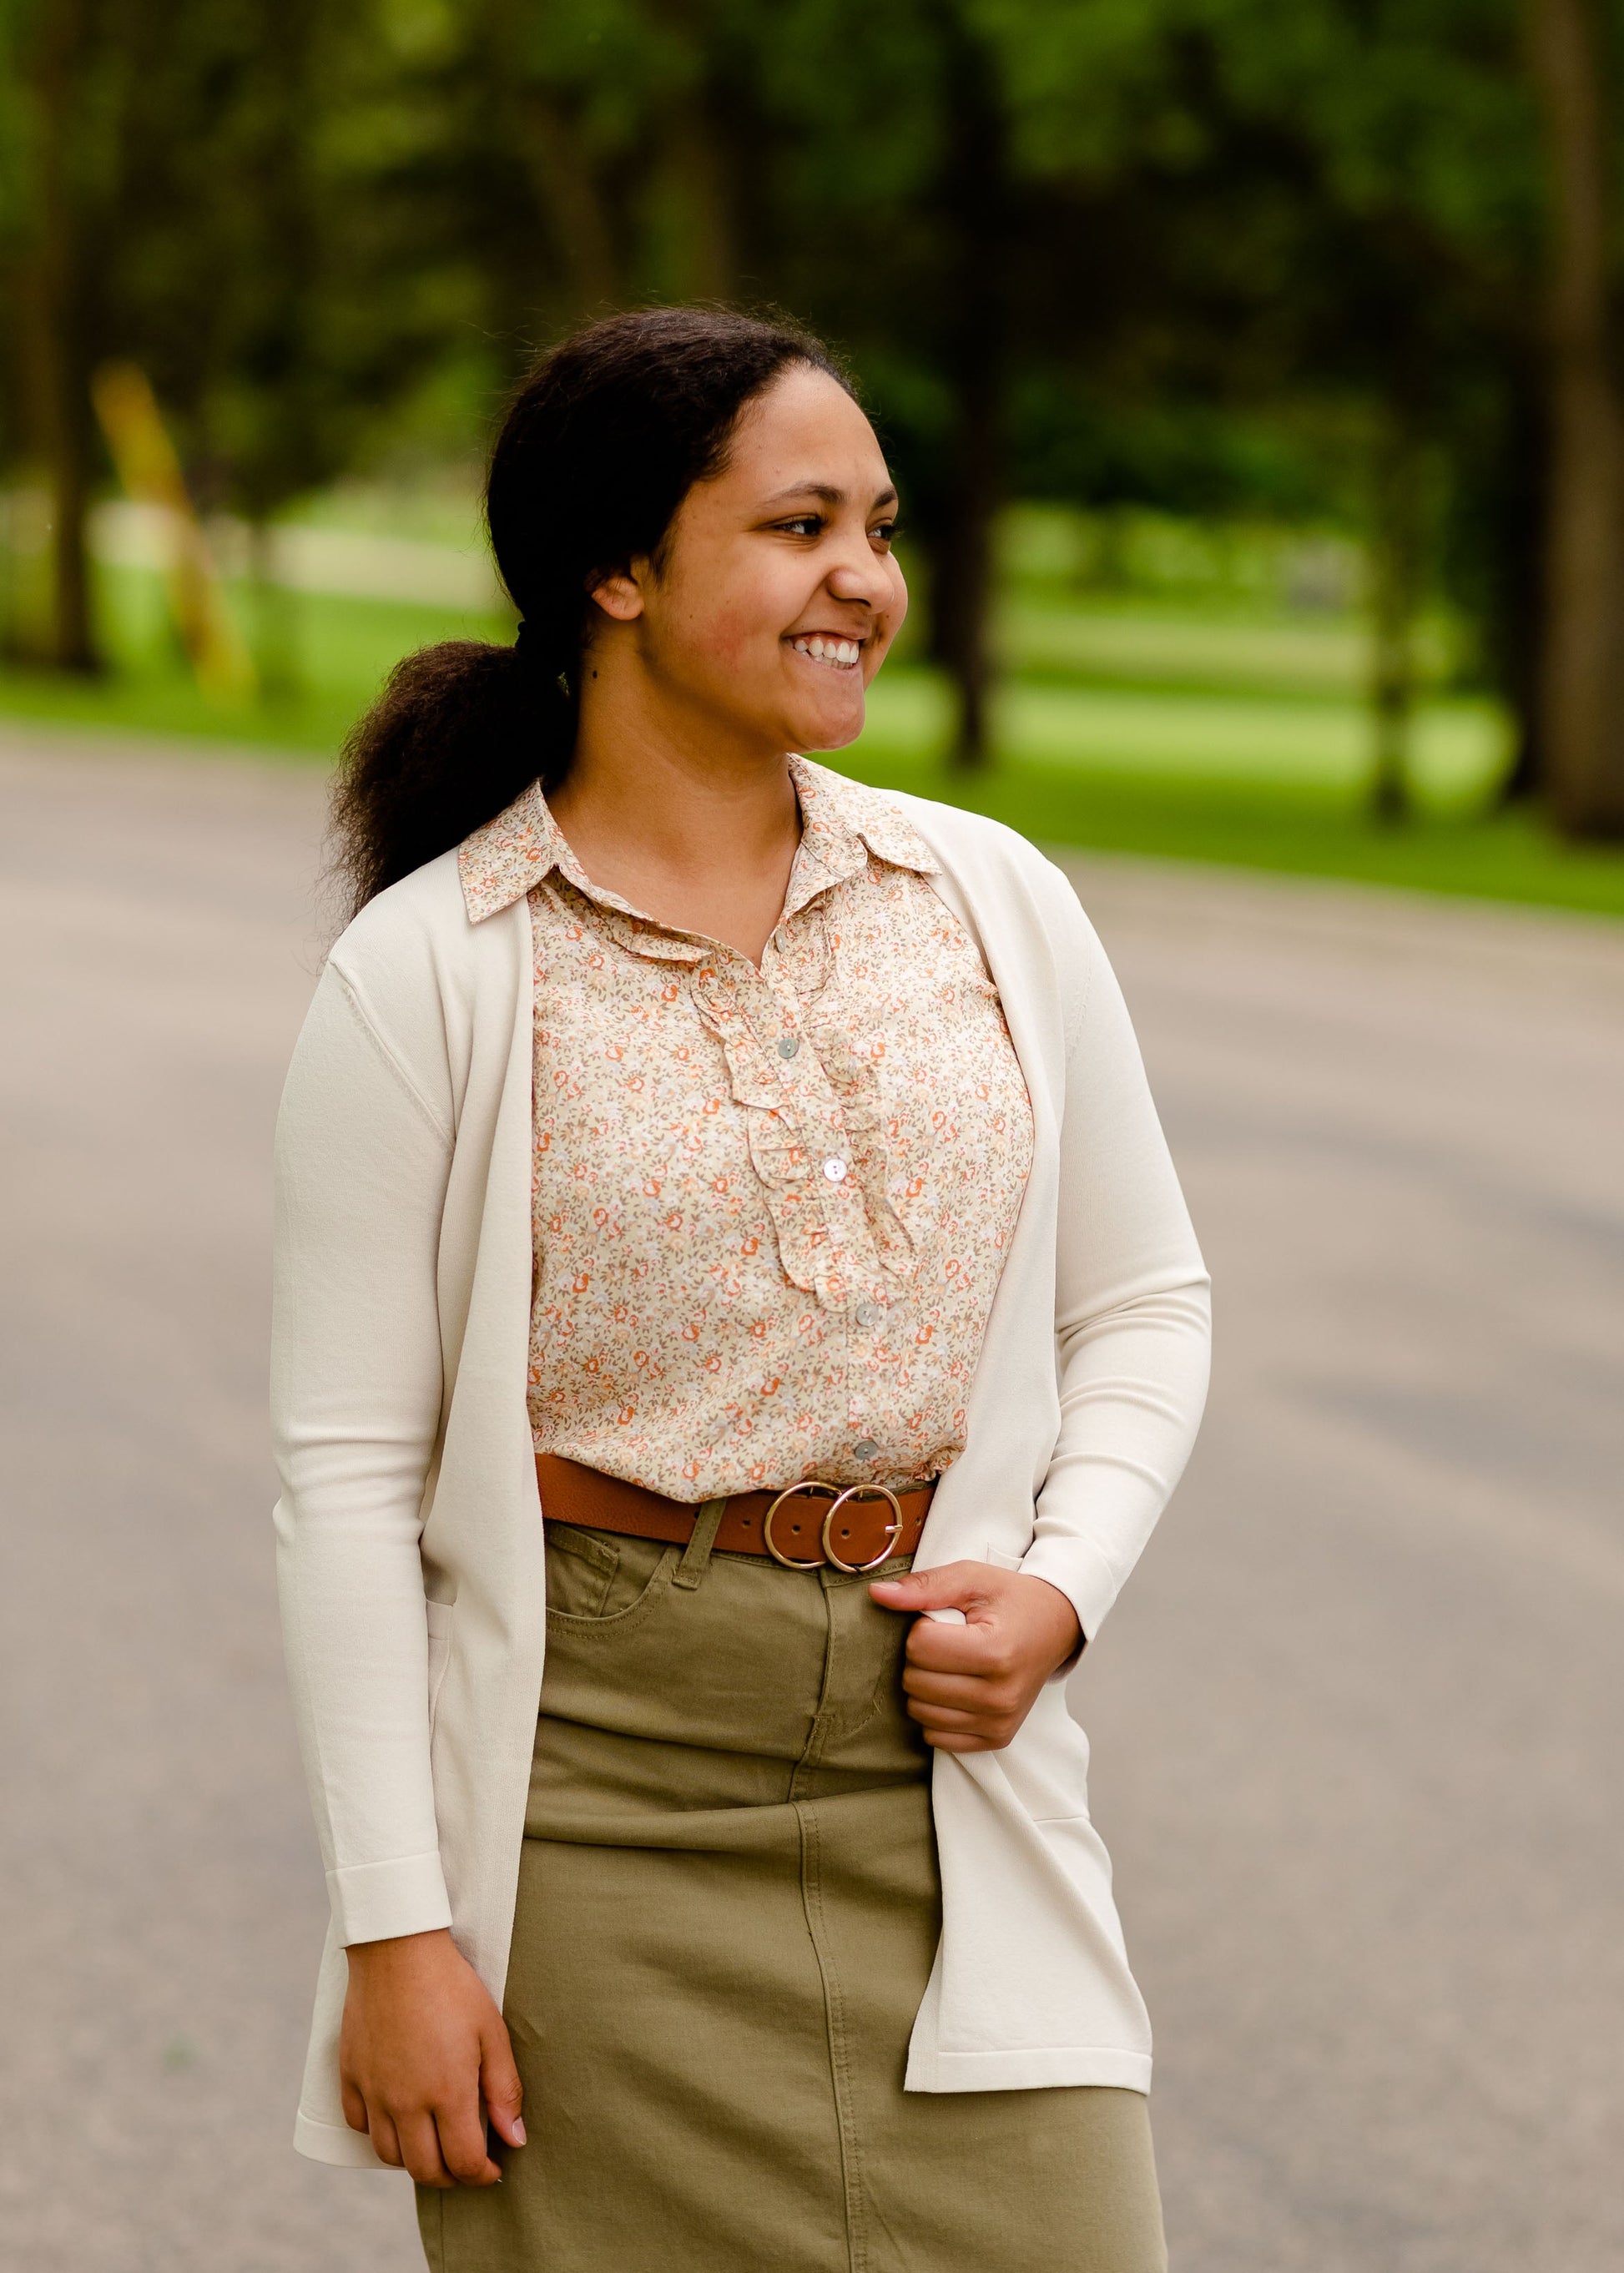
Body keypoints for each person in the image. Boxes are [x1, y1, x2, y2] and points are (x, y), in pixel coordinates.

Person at [271, 305, 1211, 2273]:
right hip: (588, 1812)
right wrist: (397, 1932)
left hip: (948, 1776)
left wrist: (1058, 1587)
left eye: (876, 526)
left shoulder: (992, 901)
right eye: (798, 527)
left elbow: (1140, 1308)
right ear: (615, 571)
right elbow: (350, 1488)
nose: (863, 580)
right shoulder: (435, 970)